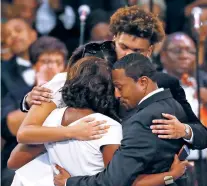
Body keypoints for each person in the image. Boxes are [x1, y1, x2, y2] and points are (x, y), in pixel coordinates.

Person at [3, 56, 188, 186]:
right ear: (107, 89)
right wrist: (171, 175)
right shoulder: (107, 126)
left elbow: (14, 160)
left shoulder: (51, 121)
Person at [19, 6, 207, 150]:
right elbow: (41, 115)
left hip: (138, 178)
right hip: (84, 168)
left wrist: (183, 130)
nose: (127, 55)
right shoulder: (89, 73)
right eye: (123, 47)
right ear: (114, 39)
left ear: (150, 51)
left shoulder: (164, 83)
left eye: (137, 51)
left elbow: (201, 134)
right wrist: (28, 101)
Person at [55, 53, 191, 186]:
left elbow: (116, 182)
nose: (117, 95)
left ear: (143, 82)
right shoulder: (172, 105)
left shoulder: (143, 120)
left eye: (120, 87)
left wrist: (69, 185)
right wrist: (171, 176)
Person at [1, 36, 68, 186]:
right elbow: (8, 125)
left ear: (65, 67)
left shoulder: (72, 96)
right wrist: (35, 99)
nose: (51, 67)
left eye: (57, 62)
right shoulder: (19, 94)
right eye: (45, 62)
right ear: (34, 66)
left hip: (60, 160)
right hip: (20, 161)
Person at [1, 18, 37, 98]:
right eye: (7, 35)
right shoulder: (2, 72)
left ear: (33, 34)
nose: (13, 35)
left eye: (18, 30)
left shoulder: (57, 62)